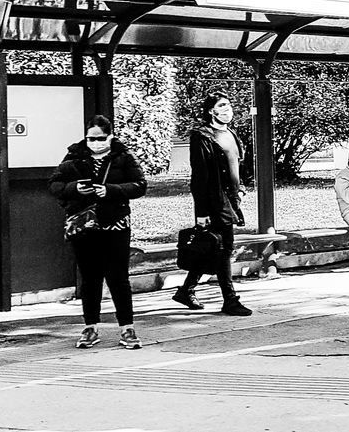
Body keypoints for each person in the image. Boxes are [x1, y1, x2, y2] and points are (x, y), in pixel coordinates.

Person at [49, 114, 148, 350]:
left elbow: (140, 185)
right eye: (91, 138)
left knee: (118, 277)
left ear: (110, 136)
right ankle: (90, 326)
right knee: (90, 277)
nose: (95, 143)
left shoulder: (123, 157)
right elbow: (54, 185)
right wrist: (75, 188)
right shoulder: (74, 156)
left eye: (100, 138)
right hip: (85, 225)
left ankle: (127, 327)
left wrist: (111, 190)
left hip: (115, 224)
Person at [172, 93, 254, 316]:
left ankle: (186, 290)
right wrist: (201, 211)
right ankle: (230, 300)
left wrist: (241, 187)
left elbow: (237, 164)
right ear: (211, 111)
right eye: (222, 106)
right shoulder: (202, 136)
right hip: (215, 200)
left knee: (214, 247)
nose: (228, 109)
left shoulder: (232, 134)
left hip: (231, 198)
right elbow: (199, 176)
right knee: (224, 247)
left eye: (229, 105)